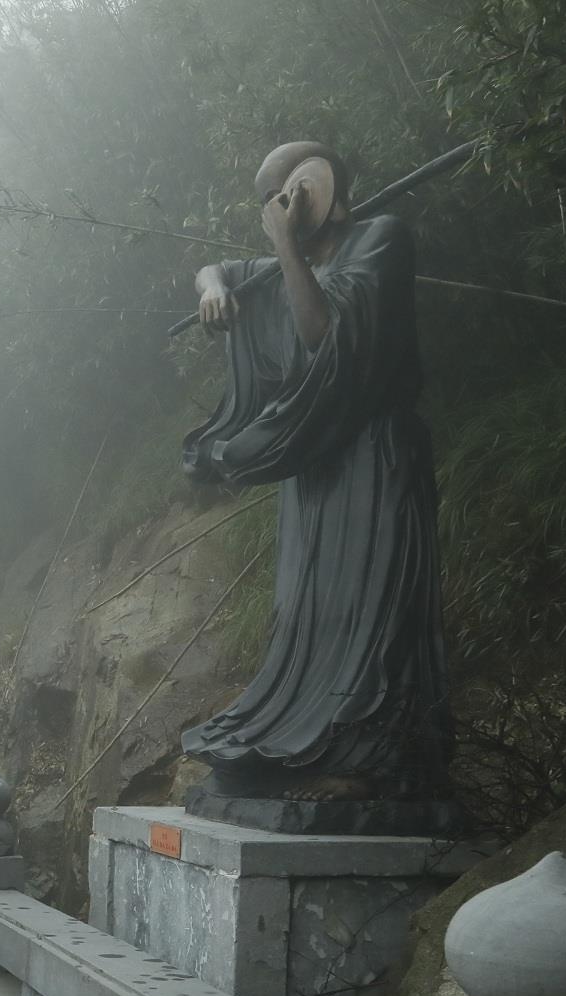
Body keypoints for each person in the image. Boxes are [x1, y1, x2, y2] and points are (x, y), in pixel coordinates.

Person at [184, 141, 450, 806]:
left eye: (284, 192)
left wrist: (285, 249)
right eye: (269, 199)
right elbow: (212, 267)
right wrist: (213, 284)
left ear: (310, 192)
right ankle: (298, 746)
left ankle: (373, 761)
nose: (277, 208)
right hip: (317, 468)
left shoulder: (380, 238)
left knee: (374, 604)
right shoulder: (283, 264)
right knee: (313, 611)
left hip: (377, 454)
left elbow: (323, 333)